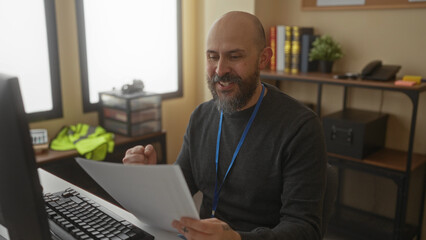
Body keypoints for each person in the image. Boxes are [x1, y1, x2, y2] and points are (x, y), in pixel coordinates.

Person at [123, 11, 327, 240]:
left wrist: (236, 239)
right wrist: (146, 179)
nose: (220, 70)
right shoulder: (201, 117)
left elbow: (305, 230)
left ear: (263, 58)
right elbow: (176, 194)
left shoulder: (301, 128)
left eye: (234, 56)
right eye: (212, 57)